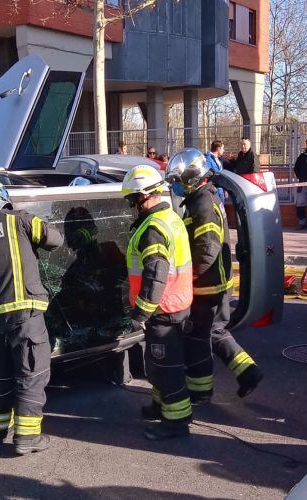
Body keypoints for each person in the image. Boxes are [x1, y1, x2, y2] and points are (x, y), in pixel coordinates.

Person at [0, 176, 62, 454]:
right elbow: (55, 239)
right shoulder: (19, 219)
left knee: (2, 375)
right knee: (32, 371)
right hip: (24, 312)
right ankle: (28, 437)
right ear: (1, 197)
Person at [166, 149, 263, 402]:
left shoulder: (203, 203)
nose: (175, 186)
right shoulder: (205, 197)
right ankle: (248, 372)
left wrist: (189, 277)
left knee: (198, 338)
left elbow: (208, 247)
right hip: (216, 283)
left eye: (177, 180)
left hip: (207, 285)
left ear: (191, 176)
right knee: (216, 332)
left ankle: (200, 391)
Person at [122, 165, 194, 440]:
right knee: (158, 363)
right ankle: (159, 405)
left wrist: (142, 311)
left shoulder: (152, 228)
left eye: (132, 201)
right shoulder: (168, 216)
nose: (131, 207)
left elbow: (155, 273)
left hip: (163, 309)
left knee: (166, 368)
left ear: (145, 197)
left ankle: (176, 423)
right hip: (174, 304)